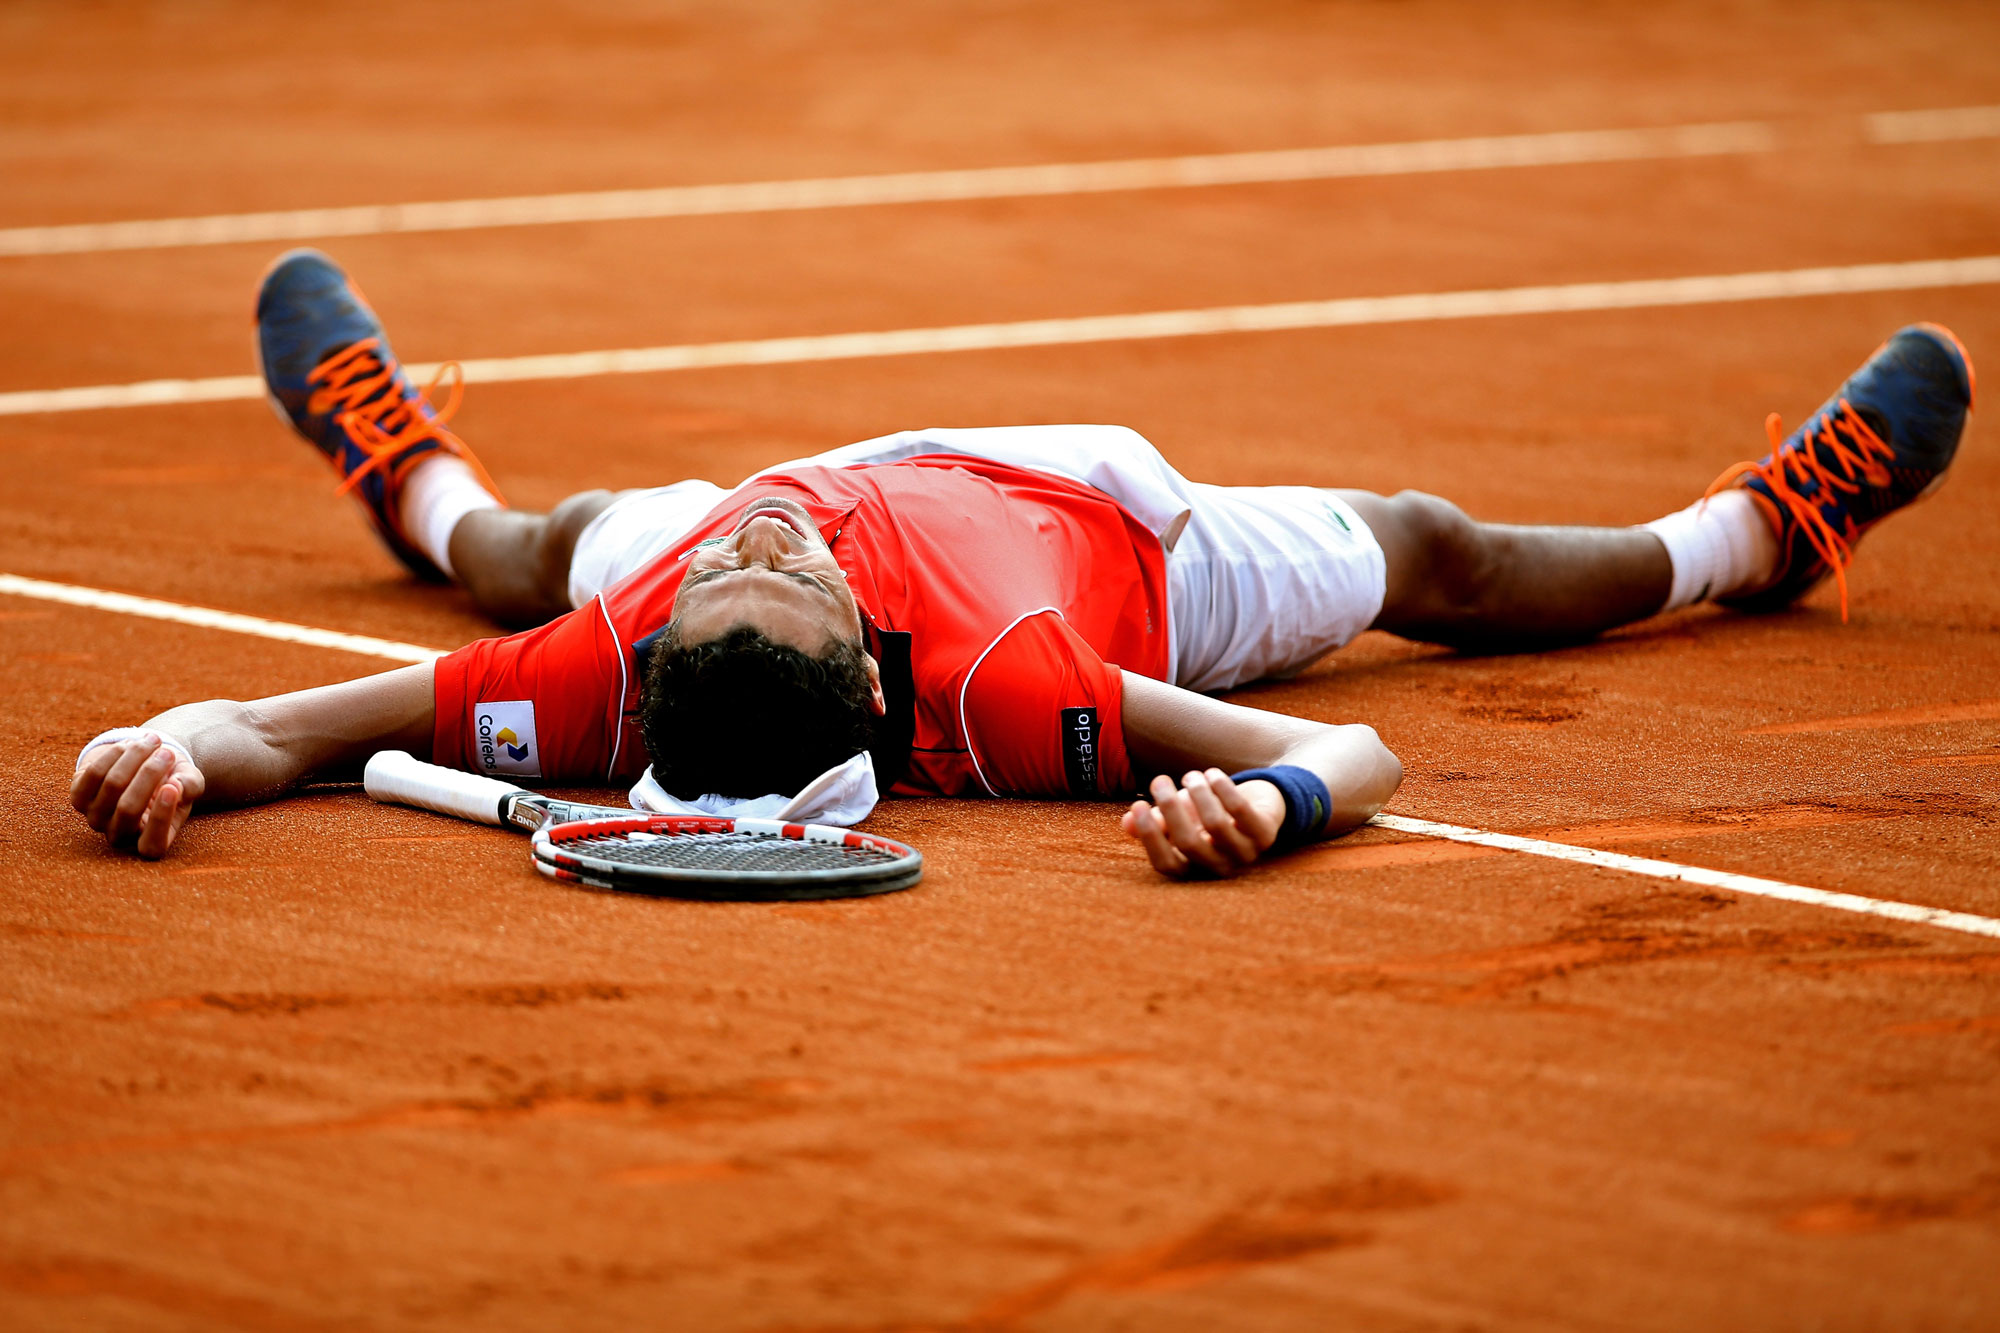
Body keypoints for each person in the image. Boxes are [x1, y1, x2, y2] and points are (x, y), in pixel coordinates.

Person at [70, 250, 1976, 876]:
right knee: (1431, 552)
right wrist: (1275, 800)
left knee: (539, 549)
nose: (761, 525)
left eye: (740, 558)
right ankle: (1760, 533)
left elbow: (283, 732)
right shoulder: (1016, 688)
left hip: (901, 551)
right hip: (1107, 542)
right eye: (774, 568)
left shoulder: (641, 634)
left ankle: (401, 462)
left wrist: (170, 741)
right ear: (866, 663)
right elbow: (1370, 758)